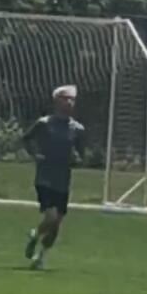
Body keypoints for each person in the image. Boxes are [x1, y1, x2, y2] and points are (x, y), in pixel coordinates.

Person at [22, 85, 85, 270]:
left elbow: (81, 154)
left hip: (63, 180)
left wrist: (77, 159)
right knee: (51, 216)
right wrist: (36, 154)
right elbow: (27, 139)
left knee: (56, 224)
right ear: (57, 101)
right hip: (45, 177)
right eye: (66, 99)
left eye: (72, 99)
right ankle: (35, 233)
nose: (69, 102)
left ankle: (41, 257)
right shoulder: (44, 123)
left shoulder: (77, 129)